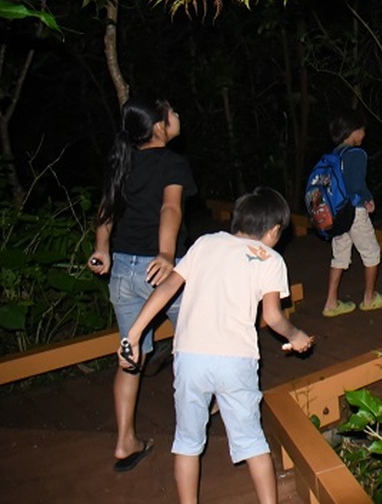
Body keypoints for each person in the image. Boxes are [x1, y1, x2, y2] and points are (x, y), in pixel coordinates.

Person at [118, 187, 314, 504]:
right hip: (237, 359)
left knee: (187, 442)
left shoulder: (205, 243)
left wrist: (135, 334)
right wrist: (296, 336)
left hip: (190, 357)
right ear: (274, 230)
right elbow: (273, 317)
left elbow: (168, 287)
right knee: (253, 443)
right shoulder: (271, 260)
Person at [87, 95, 196, 473]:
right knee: (196, 343)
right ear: (160, 126)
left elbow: (106, 207)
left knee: (131, 355)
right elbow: (171, 207)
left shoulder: (122, 160)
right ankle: (204, 416)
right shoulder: (172, 163)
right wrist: (165, 253)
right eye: (173, 112)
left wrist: (102, 248)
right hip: (163, 273)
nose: (178, 115)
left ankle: (125, 442)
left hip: (123, 271)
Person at [321, 110, 382, 316]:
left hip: (336, 213)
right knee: (372, 253)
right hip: (354, 211)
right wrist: (368, 199)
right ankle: (369, 298)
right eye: (361, 130)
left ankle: (331, 303)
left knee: (339, 256)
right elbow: (357, 185)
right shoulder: (356, 154)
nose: (363, 134)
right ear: (352, 131)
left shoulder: (332, 155)